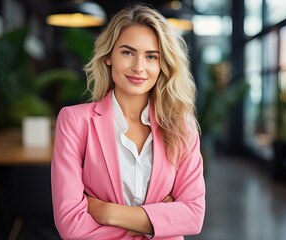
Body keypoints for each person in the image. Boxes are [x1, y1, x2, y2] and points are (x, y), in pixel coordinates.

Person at [51, 3, 205, 239]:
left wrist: (107, 212)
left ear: (162, 65)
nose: (139, 67)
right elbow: (71, 226)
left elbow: (193, 216)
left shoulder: (182, 127)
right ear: (110, 55)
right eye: (128, 52)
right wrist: (158, 220)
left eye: (151, 56)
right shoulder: (74, 121)